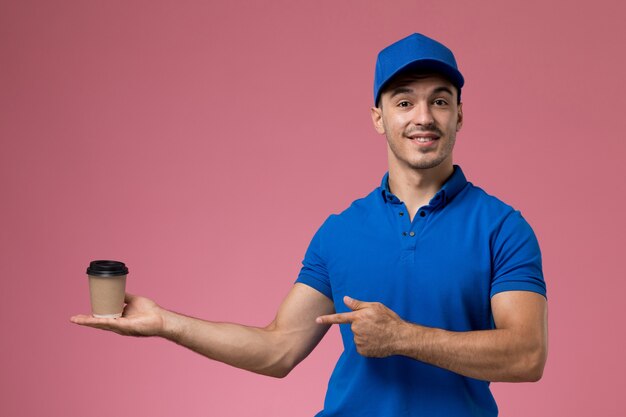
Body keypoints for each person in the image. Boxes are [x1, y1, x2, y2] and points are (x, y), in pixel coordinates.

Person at [71, 33, 548, 416]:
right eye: (404, 102)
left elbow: (526, 355)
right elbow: (278, 349)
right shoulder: (341, 231)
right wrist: (165, 323)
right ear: (378, 118)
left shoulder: (502, 227)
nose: (423, 117)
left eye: (440, 101)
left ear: (460, 113)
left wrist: (403, 338)